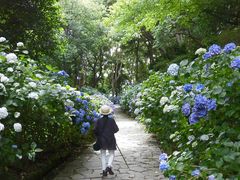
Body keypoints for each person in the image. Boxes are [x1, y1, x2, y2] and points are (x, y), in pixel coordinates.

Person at [94, 105, 119, 177]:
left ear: (101, 113)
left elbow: (95, 130)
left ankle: (104, 170)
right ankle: (109, 166)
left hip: (102, 139)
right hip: (111, 139)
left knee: (103, 155)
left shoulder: (98, 120)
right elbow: (116, 130)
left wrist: (98, 135)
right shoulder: (112, 120)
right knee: (112, 154)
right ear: (109, 113)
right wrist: (110, 132)